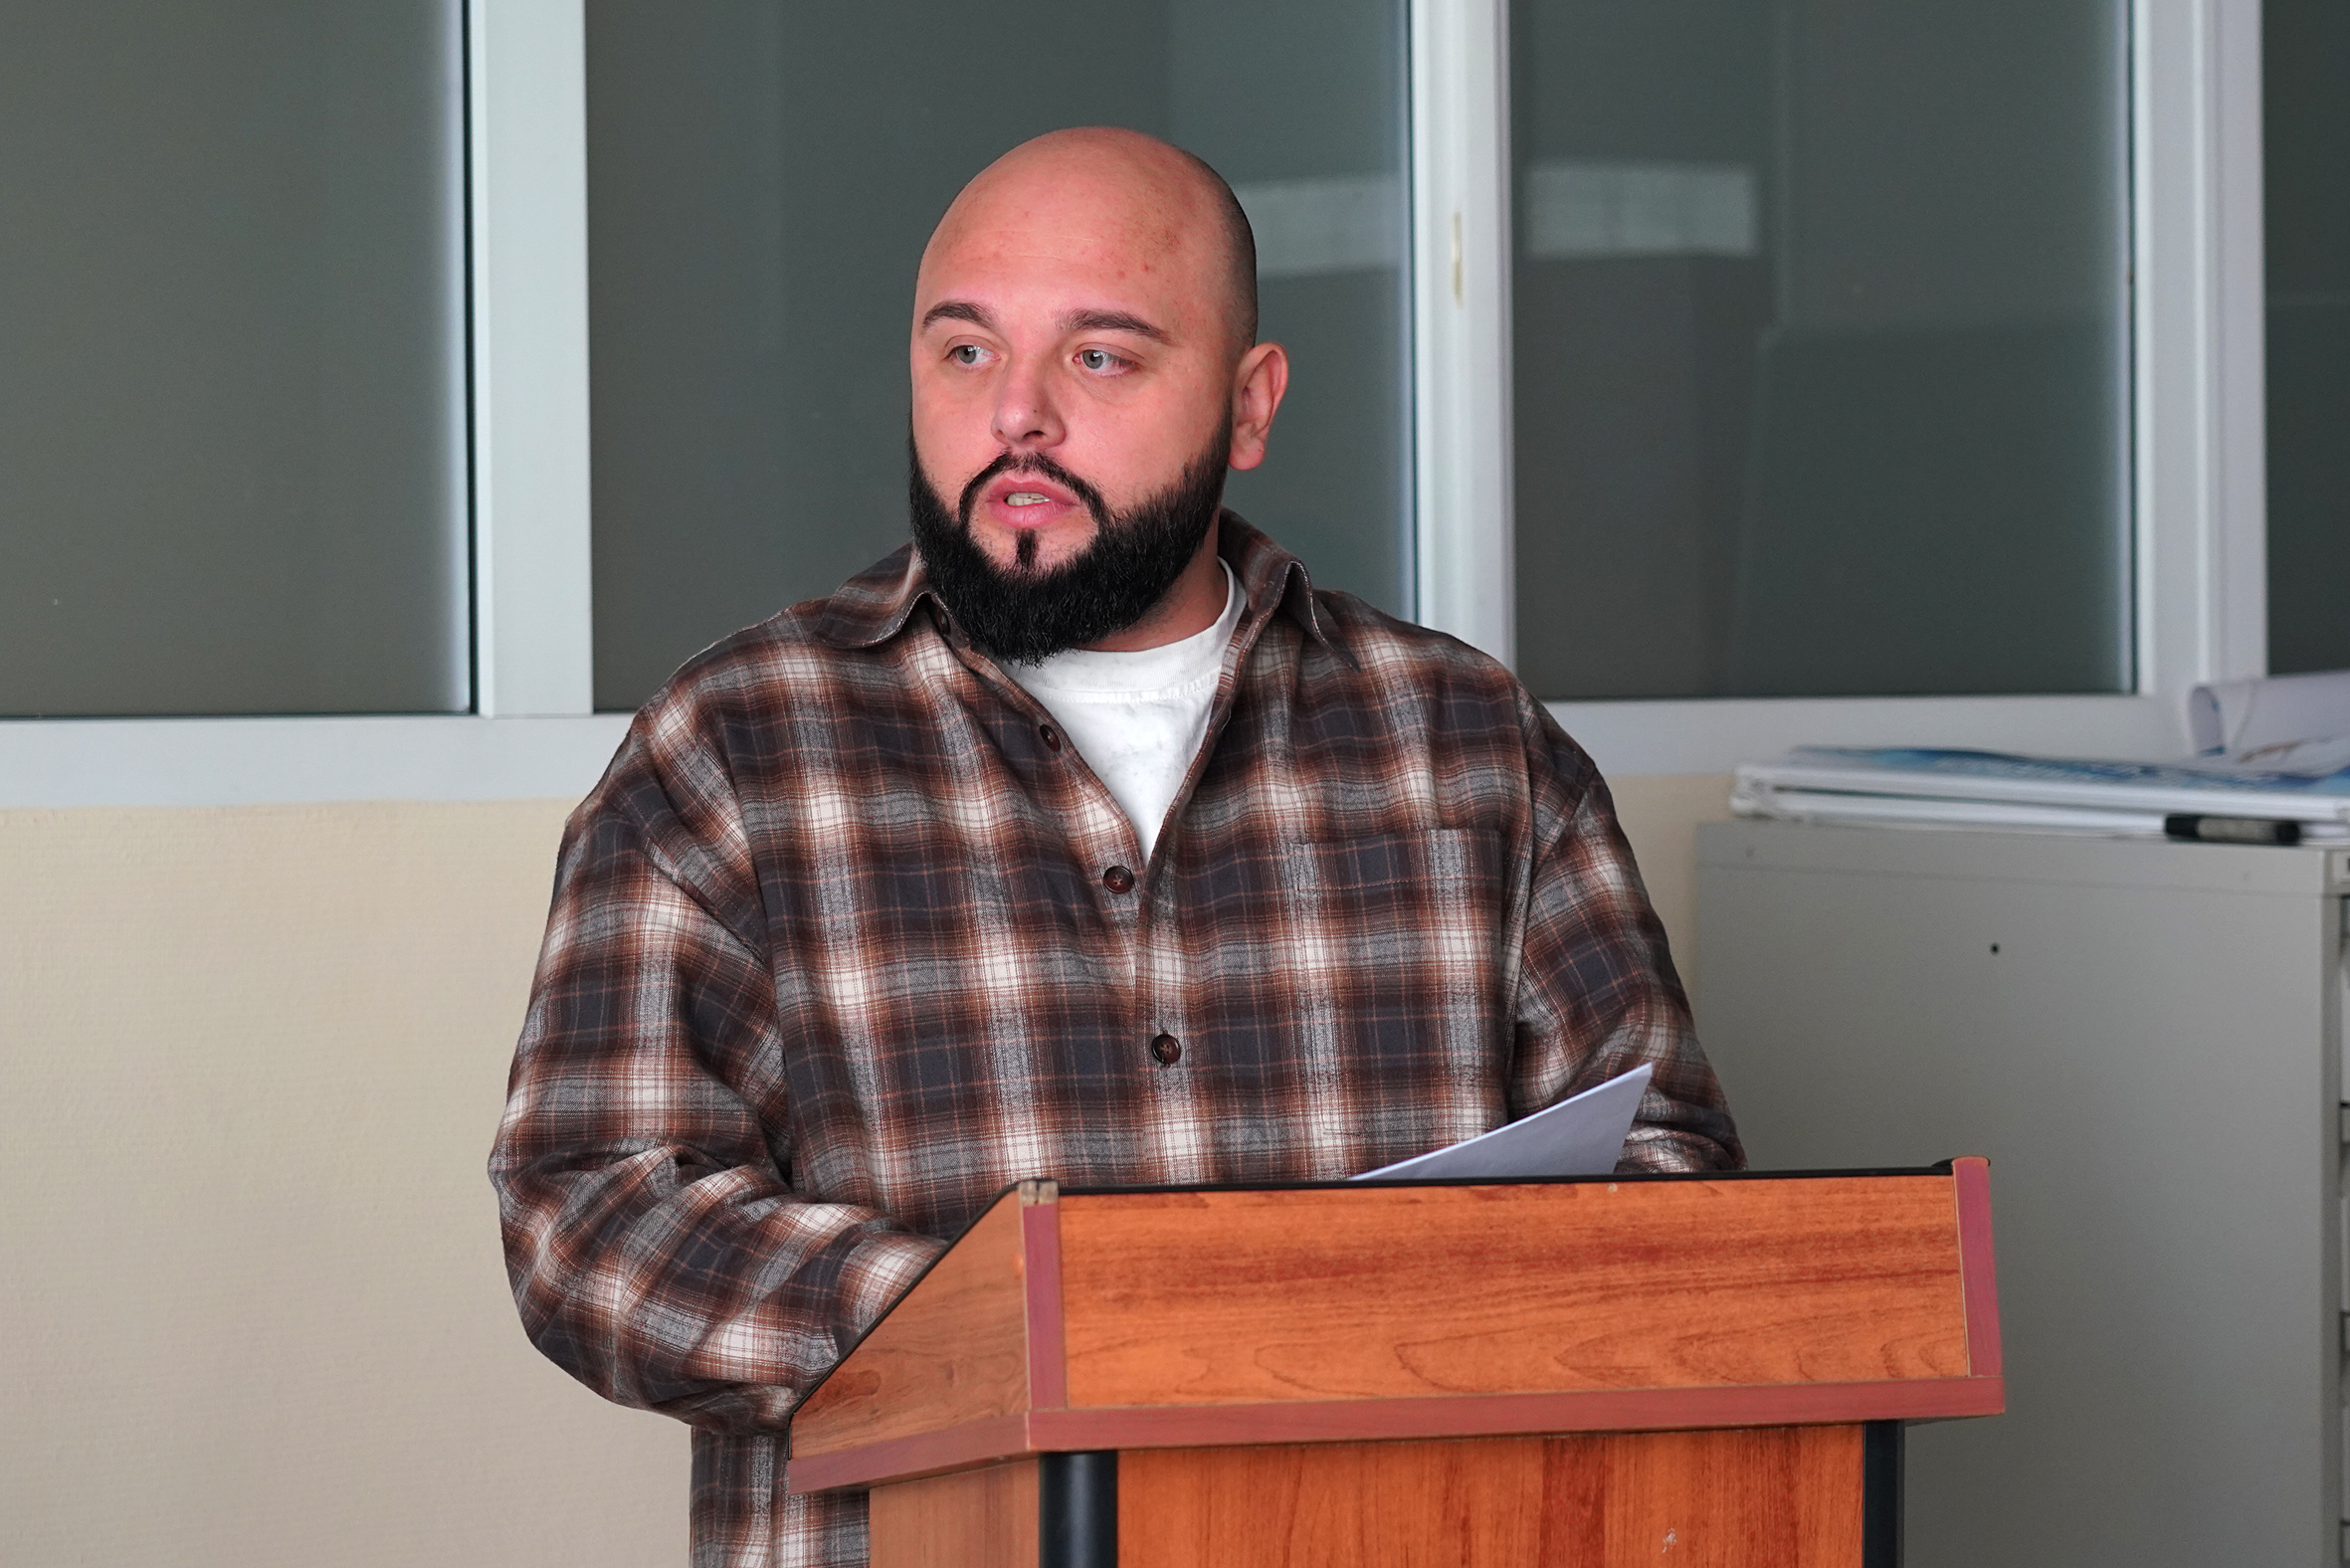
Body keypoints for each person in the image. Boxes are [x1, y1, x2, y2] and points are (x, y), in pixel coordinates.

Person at [490, 126, 1740, 1568]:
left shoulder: (1466, 740)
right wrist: (1028, 1319)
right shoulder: (735, 745)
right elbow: (590, 1213)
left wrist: (1370, 1314)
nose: (1015, 415)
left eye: (1098, 357)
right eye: (965, 351)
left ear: (1248, 404)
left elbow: (1668, 1175)